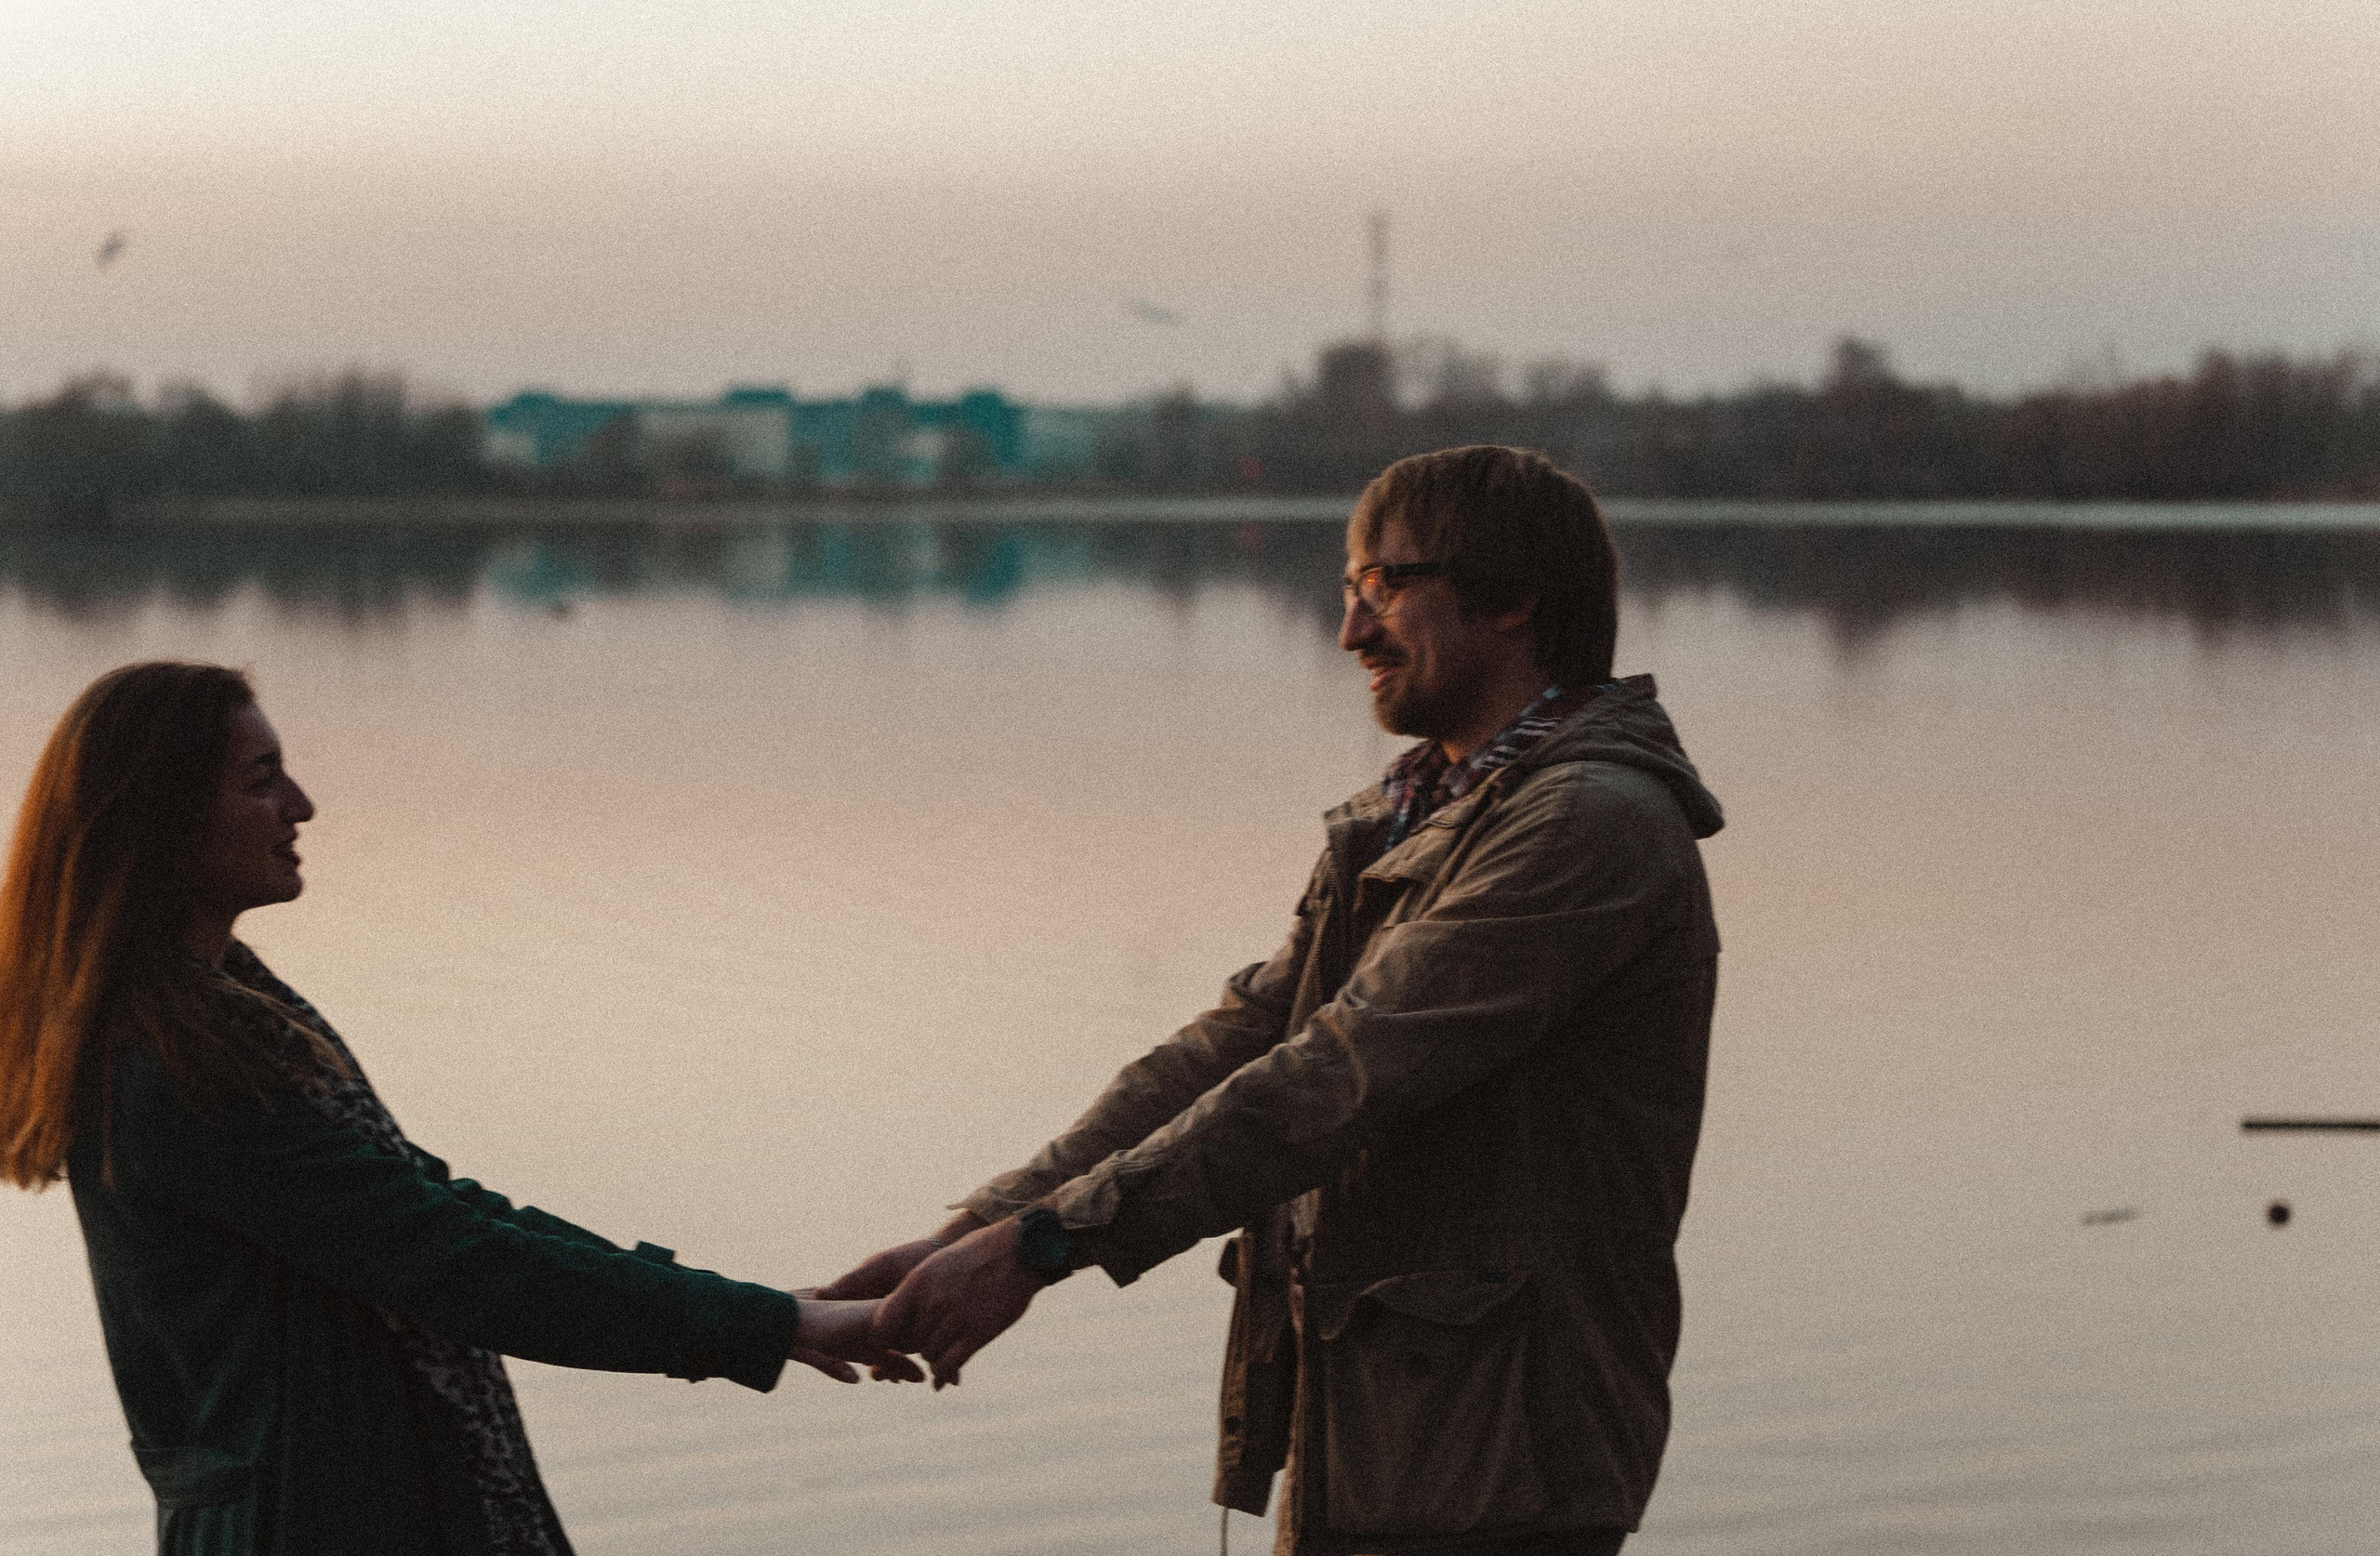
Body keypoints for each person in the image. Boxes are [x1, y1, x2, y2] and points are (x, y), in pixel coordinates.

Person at [831, 445, 1725, 1555]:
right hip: (1387, 1417)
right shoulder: (1419, 812)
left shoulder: (1586, 825)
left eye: (1384, 587)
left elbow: (1339, 1074)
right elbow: (1243, 1039)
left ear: (1512, 601)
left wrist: (1043, 1248)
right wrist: (976, 1227)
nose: (1350, 632)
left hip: (1501, 1449)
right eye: (1349, 590)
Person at [0, 662, 917, 1556]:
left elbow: (435, 1211)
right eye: (260, 781)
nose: (301, 807)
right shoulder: (176, 1064)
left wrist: (752, 1314)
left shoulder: (221, 1023)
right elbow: (453, 1260)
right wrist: (764, 1327)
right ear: (161, 821)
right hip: (309, 1522)